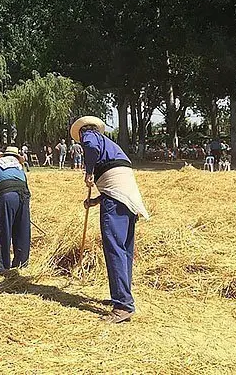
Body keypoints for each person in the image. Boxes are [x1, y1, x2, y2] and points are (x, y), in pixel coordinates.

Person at [70, 115, 150, 324]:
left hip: (116, 199)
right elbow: (113, 178)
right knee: (124, 249)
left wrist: (88, 172)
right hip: (126, 197)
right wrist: (96, 200)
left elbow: (90, 147)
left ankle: (123, 305)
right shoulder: (111, 144)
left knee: (114, 248)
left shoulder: (89, 136)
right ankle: (123, 295)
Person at [0, 146, 31, 275]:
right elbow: (25, 183)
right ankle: (21, 263)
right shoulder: (19, 166)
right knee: (22, 229)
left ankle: (4, 267)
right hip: (23, 196)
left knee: (3, 229)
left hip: (6, 196)